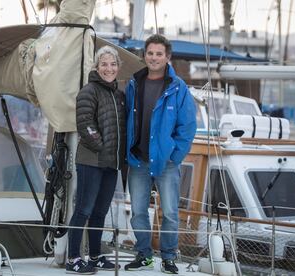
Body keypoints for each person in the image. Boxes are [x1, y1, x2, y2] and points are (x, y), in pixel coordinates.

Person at [124, 34, 197, 274]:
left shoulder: (179, 88)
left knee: (171, 213)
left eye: (159, 54)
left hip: (166, 162)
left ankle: (168, 258)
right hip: (138, 160)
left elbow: (187, 128)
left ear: (167, 57)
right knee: (138, 212)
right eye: (150, 53)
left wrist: (175, 157)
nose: (154, 58)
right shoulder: (134, 84)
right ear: (144, 55)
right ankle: (144, 255)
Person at [66, 46, 126, 274]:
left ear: (118, 67)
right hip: (92, 160)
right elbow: (85, 124)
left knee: (100, 211)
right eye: (104, 64)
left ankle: (95, 256)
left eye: (112, 64)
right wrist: (101, 147)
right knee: (83, 209)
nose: (108, 68)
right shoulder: (89, 91)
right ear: (96, 67)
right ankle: (73, 259)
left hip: (111, 163)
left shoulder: (118, 95)